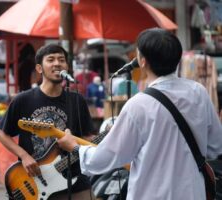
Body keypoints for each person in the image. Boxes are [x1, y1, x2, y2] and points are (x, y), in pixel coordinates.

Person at [57, 28, 222, 200]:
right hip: (193, 193)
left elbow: (104, 159)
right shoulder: (198, 92)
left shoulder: (138, 105)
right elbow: (216, 145)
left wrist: (74, 147)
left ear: (142, 62)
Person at [0, 44, 96, 199]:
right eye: (51, 59)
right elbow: (0, 132)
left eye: (61, 60)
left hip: (76, 181)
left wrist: (107, 137)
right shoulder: (24, 99)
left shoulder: (77, 100)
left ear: (67, 67)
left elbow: (87, 137)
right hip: (35, 180)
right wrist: (24, 156)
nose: (57, 63)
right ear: (39, 68)